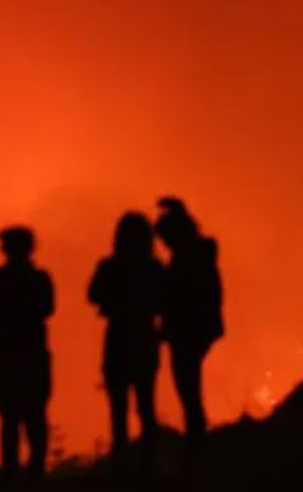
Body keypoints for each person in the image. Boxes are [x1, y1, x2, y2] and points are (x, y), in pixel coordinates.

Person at [88, 212, 164, 474]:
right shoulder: (154, 268)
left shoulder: (110, 266)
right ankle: (147, 463)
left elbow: (93, 294)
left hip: (119, 337)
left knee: (118, 406)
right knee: (145, 404)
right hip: (144, 337)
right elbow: (166, 300)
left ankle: (121, 464)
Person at [155, 197, 223, 464]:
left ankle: (196, 445)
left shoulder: (186, 260)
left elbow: (182, 297)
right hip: (197, 328)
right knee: (189, 386)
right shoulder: (199, 255)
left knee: (188, 386)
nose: (165, 245)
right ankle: (196, 443)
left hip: (188, 329)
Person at [0, 226, 54, 479]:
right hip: (29, 352)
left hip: (9, 352)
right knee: (30, 413)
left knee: (12, 415)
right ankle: (32, 468)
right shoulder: (40, 279)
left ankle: (14, 469)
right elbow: (47, 308)